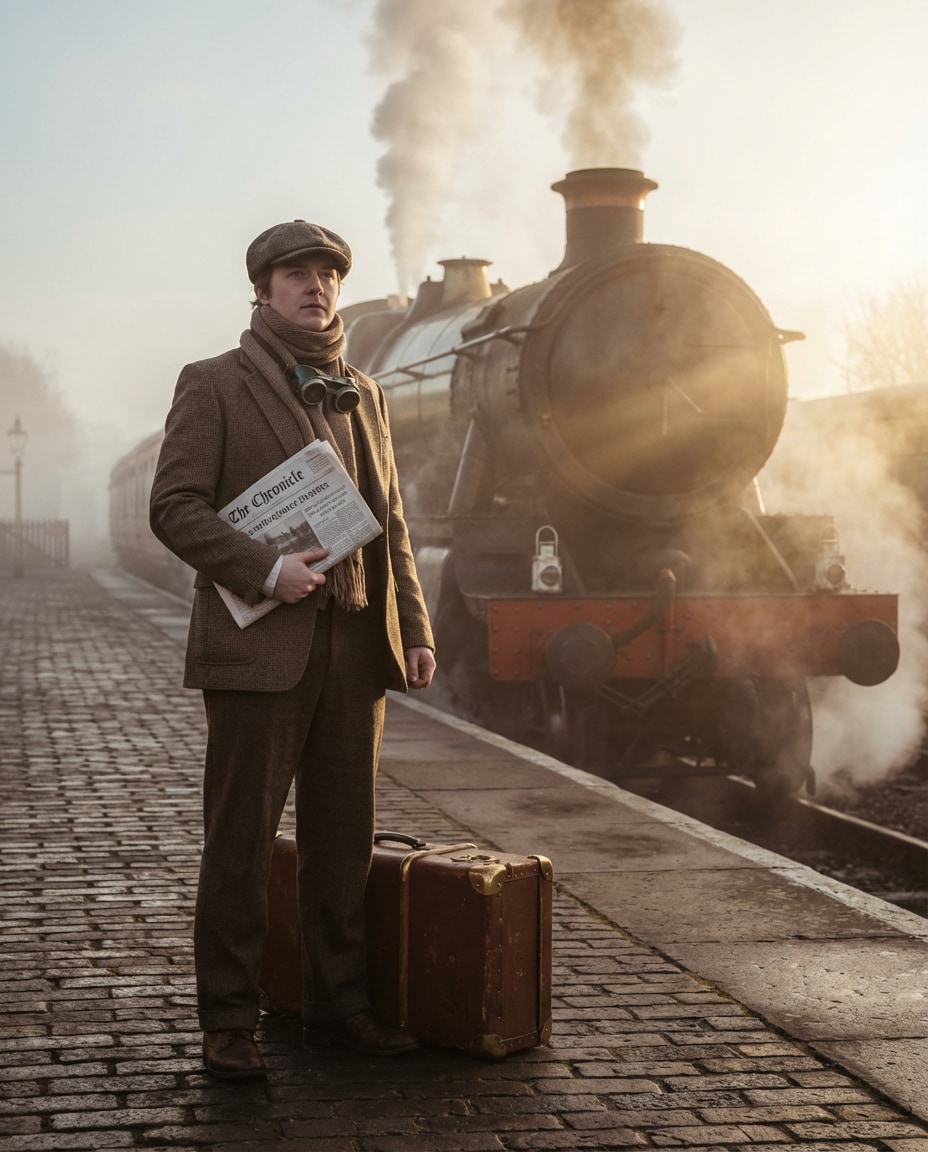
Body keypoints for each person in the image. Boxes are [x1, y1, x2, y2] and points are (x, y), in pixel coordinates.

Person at [149, 219, 436, 1080]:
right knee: (239, 840)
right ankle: (229, 1019)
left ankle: (336, 1004)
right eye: (296, 274)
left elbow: (393, 524)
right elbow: (173, 506)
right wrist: (265, 569)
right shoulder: (213, 383)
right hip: (261, 645)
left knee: (343, 839)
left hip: (357, 647)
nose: (316, 287)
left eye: (327, 275)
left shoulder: (367, 391)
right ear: (263, 290)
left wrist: (414, 627)